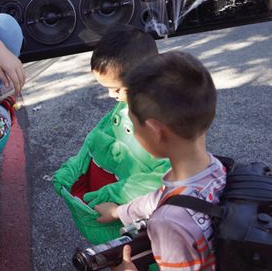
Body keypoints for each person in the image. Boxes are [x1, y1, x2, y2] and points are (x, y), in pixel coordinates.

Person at [95, 51, 227, 271]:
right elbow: (162, 196)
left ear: (156, 131)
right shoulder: (218, 168)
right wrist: (119, 212)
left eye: (135, 125)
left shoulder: (168, 224)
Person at [52, 24, 170, 244]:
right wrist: (74, 167)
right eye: (106, 88)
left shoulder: (163, 122)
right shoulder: (128, 102)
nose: (111, 95)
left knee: (132, 255)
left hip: (135, 214)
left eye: (117, 89)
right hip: (110, 204)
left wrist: (113, 196)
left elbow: (166, 178)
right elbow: (98, 136)